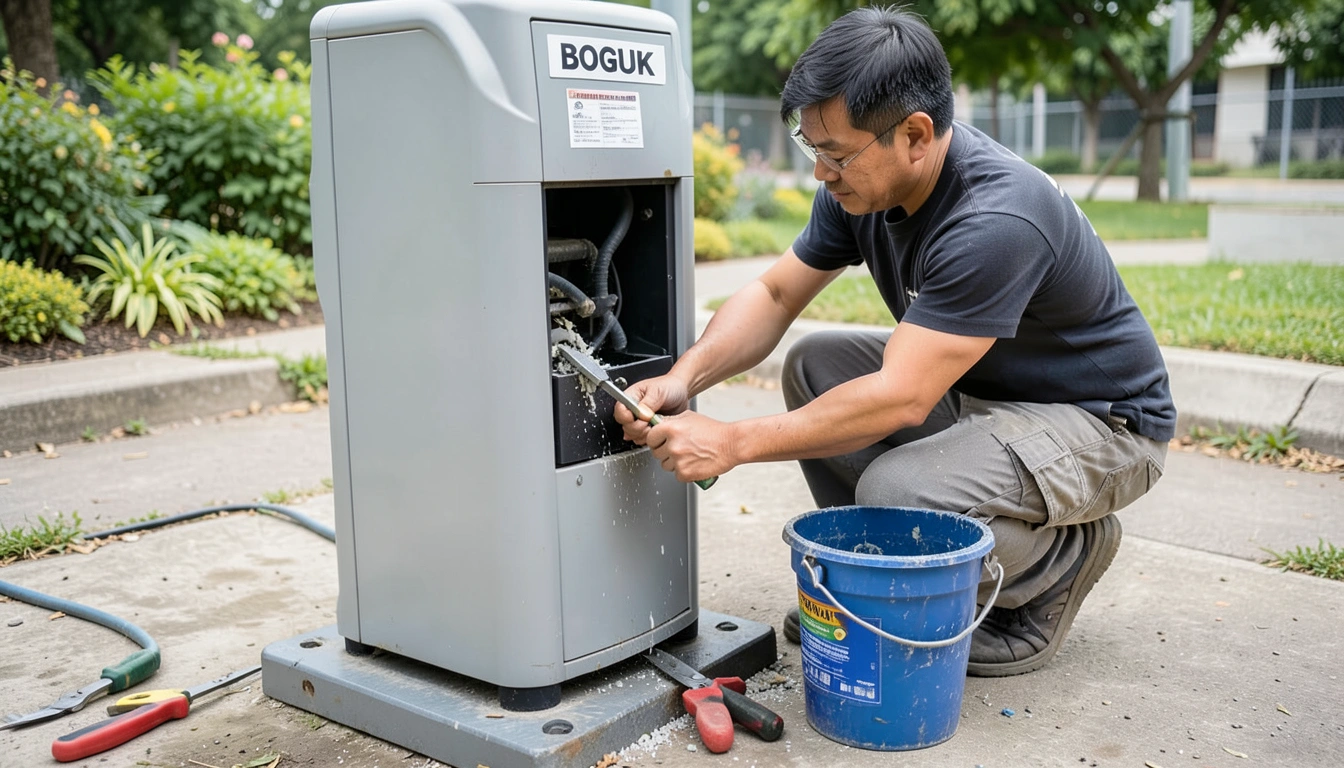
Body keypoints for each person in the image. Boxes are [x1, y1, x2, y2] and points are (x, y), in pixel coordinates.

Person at [615, 5, 1175, 677]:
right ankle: (879, 576)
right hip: (984, 397)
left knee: (898, 492)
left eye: (835, 154)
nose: (821, 173)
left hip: (1104, 426)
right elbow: (776, 295)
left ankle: (1059, 564)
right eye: (812, 149)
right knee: (816, 367)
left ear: (914, 135)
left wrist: (732, 443)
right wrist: (685, 377)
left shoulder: (994, 217)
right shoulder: (863, 186)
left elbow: (902, 398)